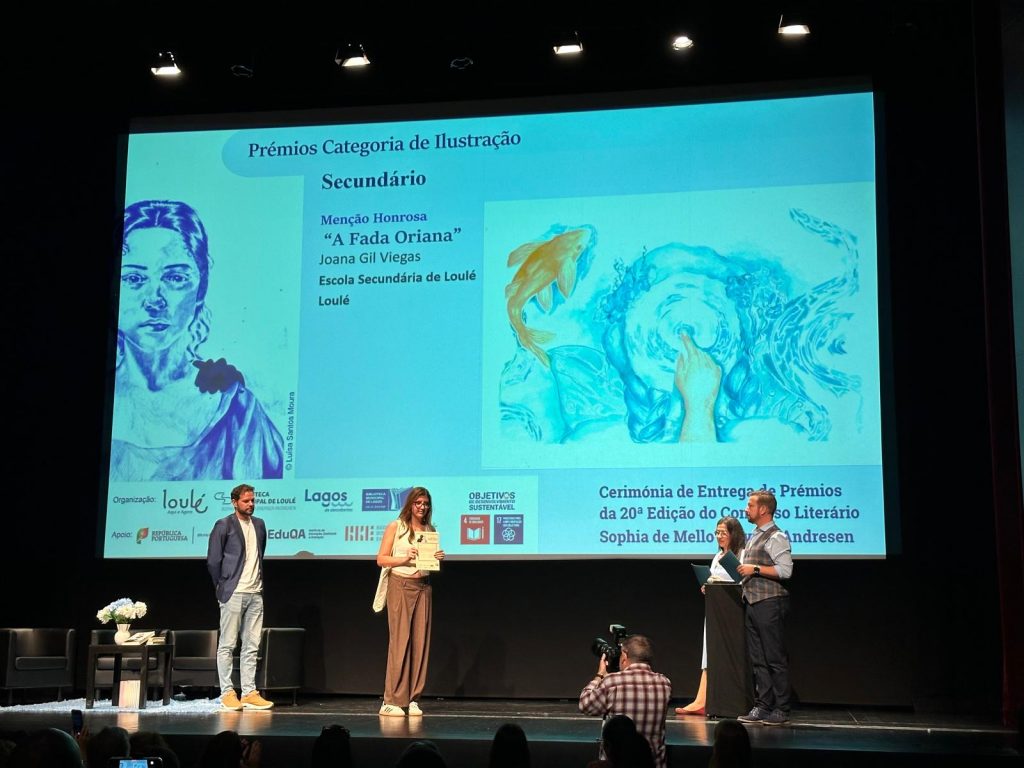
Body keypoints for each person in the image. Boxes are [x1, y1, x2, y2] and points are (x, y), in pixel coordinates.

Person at [111, 199, 284, 481]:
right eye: (133, 279)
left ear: (201, 287)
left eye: (176, 278)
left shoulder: (236, 408)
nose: (154, 300)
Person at [377, 487, 446, 717]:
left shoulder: (430, 530)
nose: (422, 507)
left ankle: (413, 698)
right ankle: (391, 700)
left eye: (425, 503)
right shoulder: (396, 527)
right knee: (400, 642)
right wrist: (404, 558)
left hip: (423, 586)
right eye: (418, 503)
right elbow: (381, 559)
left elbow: (428, 562)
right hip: (401, 585)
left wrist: (437, 558)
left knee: (420, 643)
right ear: (410, 505)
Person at [207, 483, 274, 711]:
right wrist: (223, 587)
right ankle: (227, 692)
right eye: (246, 501)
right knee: (227, 644)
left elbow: (259, 554)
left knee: (252, 645)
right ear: (234, 502)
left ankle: (249, 692)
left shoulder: (259, 525)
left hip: (255, 593)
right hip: (233, 592)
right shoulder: (224, 525)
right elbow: (213, 560)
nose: (251, 504)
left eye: (253, 500)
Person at [676, 516, 746, 715]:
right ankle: (702, 699)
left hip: (733, 613)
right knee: (709, 653)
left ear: (733, 534)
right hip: (715, 610)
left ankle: (719, 700)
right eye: (717, 532)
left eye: (723, 532)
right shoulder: (717, 556)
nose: (719, 536)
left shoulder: (742, 554)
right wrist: (708, 586)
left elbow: (743, 582)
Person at [736, 490, 793, 726]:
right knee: (758, 658)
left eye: (750, 505)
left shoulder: (776, 536)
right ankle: (763, 705)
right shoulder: (754, 536)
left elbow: (786, 571)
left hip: (770, 602)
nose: (746, 509)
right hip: (752, 601)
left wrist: (756, 569)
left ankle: (781, 708)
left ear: (763, 509)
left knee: (774, 657)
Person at [579, 634, 672, 768]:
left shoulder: (612, 682)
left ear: (624, 656)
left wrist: (599, 676)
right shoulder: (664, 683)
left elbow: (585, 705)